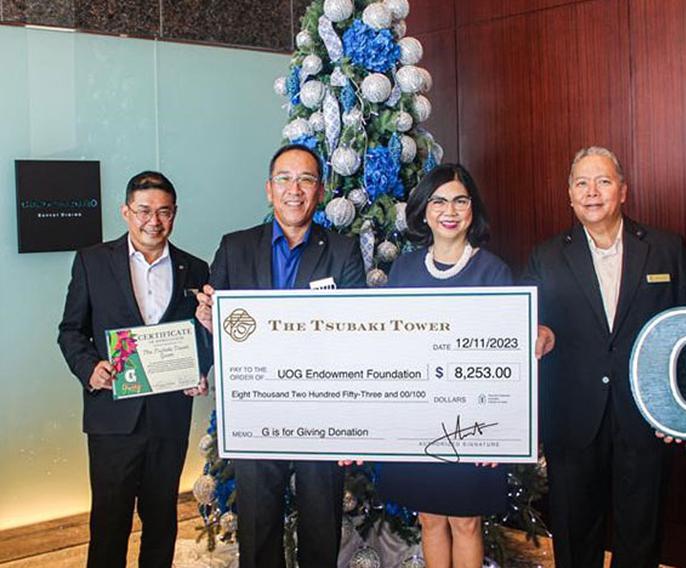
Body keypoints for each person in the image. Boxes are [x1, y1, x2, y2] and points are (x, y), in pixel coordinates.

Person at [523, 147, 686, 568]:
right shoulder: (545, 257)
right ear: (569, 195)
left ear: (623, 191)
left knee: (641, 535)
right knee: (574, 534)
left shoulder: (665, 249)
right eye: (581, 183)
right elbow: (532, 331)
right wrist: (538, 334)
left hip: (645, 418)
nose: (591, 192)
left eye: (602, 181)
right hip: (573, 422)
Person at [194, 144, 365, 568]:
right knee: (257, 524)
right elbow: (213, 320)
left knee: (321, 524)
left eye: (306, 179)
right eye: (285, 179)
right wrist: (208, 324)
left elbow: (358, 335)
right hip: (257, 409)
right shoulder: (234, 248)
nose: (295, 189)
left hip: (322, 411)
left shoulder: (342, 252)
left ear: (320, 192)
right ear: (269, 189)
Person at [58, 171, 210, 568]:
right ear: (126, 211)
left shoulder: (195, 269)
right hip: (112, 416)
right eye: (143, 210)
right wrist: (89, 368)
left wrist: (202, 369)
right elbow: (70, 331)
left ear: (174, 214)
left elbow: (204, 336)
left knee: (162, 522)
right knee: (109, 524)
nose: (153, 221)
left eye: (163, 212)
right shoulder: (92, 261)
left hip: (168, 417)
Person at [378, 163, 512, 568]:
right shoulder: (403, 270)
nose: (448, 210)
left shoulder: (494, 273)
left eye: (459, 200)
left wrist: (500, 433)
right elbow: (391, 351)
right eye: (438, 201)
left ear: (473, 209)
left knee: (467, 522)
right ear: (423, 210)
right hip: (418, 420)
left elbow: (506, 362)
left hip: (473, 424)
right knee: (431, 519)